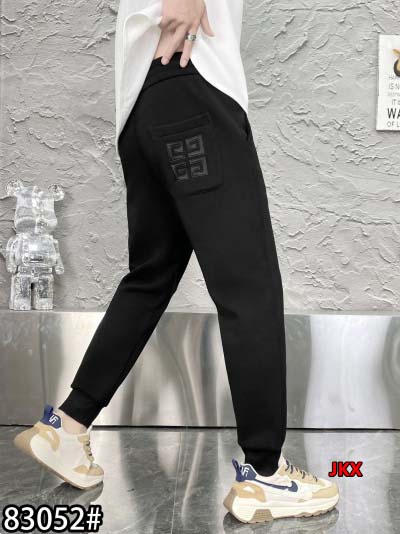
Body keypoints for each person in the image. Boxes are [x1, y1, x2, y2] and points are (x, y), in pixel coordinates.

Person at [14, 0, 339, 523]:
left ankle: (69, 427)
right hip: (193, 80)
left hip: (142, 104)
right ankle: (265, 473)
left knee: (151, 275)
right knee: (249, 285)